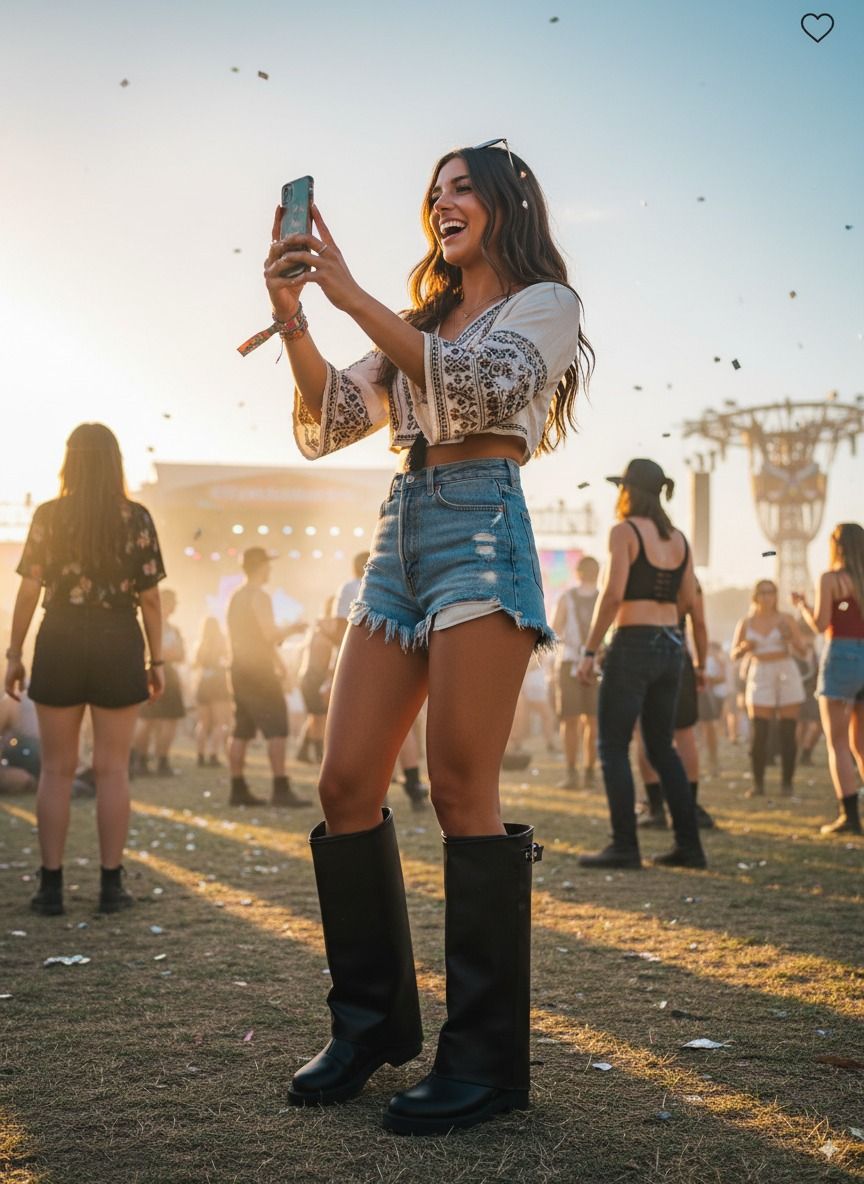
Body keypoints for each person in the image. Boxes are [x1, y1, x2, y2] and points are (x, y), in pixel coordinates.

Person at [258, 139, 591, 1133]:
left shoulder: (546, 303)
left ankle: (484, 1059)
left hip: (482, 525)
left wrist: (355, 298)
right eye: (433, 191)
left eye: (461, 189)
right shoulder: (420, 319)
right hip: (399, 531)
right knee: (345, 780)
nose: (442, 203)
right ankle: (370, 1023)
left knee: (458, 783)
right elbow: (330, 422)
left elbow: (482, 390)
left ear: (501, 203)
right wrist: (294, 321)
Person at [4, 423, 165, 915]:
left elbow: (29, 591)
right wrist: (156, 660)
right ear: (115, 462)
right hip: (119, 640)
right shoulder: (135, 517)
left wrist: (14, 654)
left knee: (56, 769)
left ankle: (50, 887)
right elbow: (151, 600)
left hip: (61, 637)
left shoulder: (50, 516)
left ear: (69, 460)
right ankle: (111, 887)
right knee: (112, 770)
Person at [574, 458, 705, 870]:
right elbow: (690, 603)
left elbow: (612, 595)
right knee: (662, 747)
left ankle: (624, 845)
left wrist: (590, 650)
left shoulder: (624, 532)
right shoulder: (680, 539)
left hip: (633, 644)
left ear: (629, 491)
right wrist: (694, 657)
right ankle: (690, 846)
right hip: (672, 646)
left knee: (612, 746)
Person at [332, 553, 428, 809]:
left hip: (365, 667)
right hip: (398, 664)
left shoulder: (350, 588)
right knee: (400, 726)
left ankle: (377, 797)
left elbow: (341, 629)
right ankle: (413, 785)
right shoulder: (401, 587)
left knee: (366, 732)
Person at [793, 522, 864, 835]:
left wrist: (803, 606)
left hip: (842, 656)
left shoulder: (831, 579)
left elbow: (821, 625)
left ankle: (849, 816)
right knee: (861, 745)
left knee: (837, 742)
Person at [227, 547, 308, 807]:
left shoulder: (235, 597)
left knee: (242, 728)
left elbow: (252, 640)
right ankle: (280, 788)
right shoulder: (259, 596)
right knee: (278, 729)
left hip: (240, 668)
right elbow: (269, 636)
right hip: (259, 672)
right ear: (260, 566)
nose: (271, 569)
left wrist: (280, 665)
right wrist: (294, 628)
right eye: (268, 565)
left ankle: (237, 788)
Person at [637, 580, 714, 830]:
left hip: (643, 653)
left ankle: (656, 807)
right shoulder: (687, 577)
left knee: (644, 732)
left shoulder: (635, 564)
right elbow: (699, 625)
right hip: (677, 653)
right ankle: (689, 805)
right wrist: (701, 665)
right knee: (684, 733)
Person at [731, 579, 808, 798]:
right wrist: (745, 647)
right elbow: (734, 654)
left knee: (787, 730)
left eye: (771, 592)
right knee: (760, 732)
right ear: (755, 596)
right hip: (759, 670)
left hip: (785, 669)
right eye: (763, 592)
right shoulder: (746, 622)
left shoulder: (786, 619)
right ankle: (758, 784)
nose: (767, 596)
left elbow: (803, 651)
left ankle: (787, 783)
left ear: (776, 595)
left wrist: (790, 638)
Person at [552, 555, 601, 789]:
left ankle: (582, 772)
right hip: (574, 661)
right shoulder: (568, 598)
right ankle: (579, 772)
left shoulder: (601, 597)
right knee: (580, 720)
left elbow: (554, 630)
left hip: (592, 664)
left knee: (586, 720)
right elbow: (556, 629)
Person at [131, 588, 186, 776]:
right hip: (149, 672)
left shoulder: (174, 629)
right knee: (147, 720)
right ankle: (141, 759)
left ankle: (162, 760)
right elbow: (144, 651)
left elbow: (181, 654)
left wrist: (163, 654)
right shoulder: (145, 625)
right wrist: (161, 655)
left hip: (169, 673)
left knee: (169, 720)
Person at [295, 598, 340, 763]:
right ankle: (318, 752)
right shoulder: (327, 626)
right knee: (319, 717)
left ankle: (303, 750)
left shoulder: (317, 628)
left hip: (308, 677)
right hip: (315, 678)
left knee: (315, 716)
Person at [193, 616, 233, 767]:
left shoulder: (201, 645)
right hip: (219, 685)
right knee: (220, 723)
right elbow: (228, 661)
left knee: (202, 723)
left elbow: (196, 665)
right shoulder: (222, 642)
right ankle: (213, 755)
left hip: (203, 684)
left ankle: (200, 755)